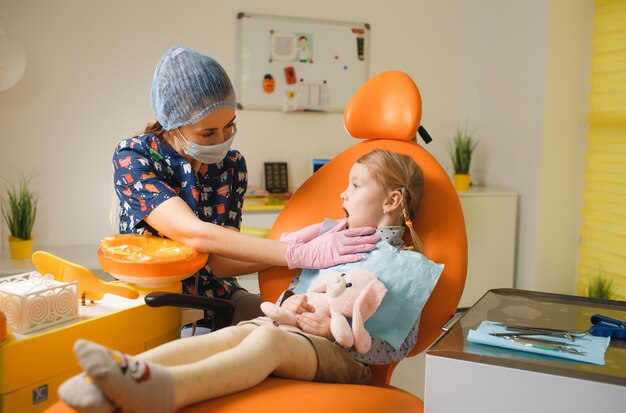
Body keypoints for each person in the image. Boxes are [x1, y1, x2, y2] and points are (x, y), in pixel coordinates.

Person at [59, 149, 444, 413]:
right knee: (228, 336)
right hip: (285, 327)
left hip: (341, 359)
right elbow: (299, 291)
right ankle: (107, 380)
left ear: (392, 201)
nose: (343, 192)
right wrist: (291, 304)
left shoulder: (408, 267)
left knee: (267, 339)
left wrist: (330, 328)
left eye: (357, 185)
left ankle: (167, 391)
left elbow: (399, 345)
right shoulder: (333, 238)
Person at [112, 45, 379, 327]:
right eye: (208, 133)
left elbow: (220, 262)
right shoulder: (135, 157)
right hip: (155, 301)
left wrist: (297, 243)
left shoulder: (232, 165)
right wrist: (296, 252)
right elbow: (192, 233)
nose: (222, 140)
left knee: (304, 326)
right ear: (172, 125)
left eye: (229, 126)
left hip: (220, 297)